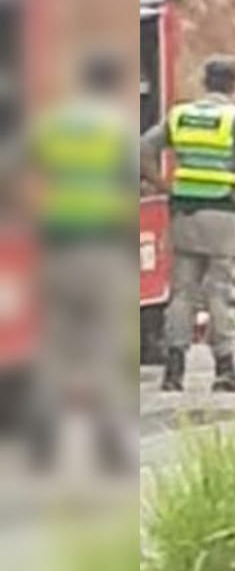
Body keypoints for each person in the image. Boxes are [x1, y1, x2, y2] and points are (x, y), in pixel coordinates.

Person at [140, 54, 235, 393]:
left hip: (184, 212)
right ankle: (225, 369)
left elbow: (141, 149)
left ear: (204, 81)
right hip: (224, 213)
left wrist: (162, 185)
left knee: (182, 293)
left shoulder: (180, 116)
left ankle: (173, 372)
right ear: (233, 83)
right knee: (221, 293)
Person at [29, 48, 136, 471]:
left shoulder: (53, 126)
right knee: (105, 346)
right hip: (102, 250)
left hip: (57, 247)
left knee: (55, 346)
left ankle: (43, 441)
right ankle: (109, 443)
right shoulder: (115, 130)